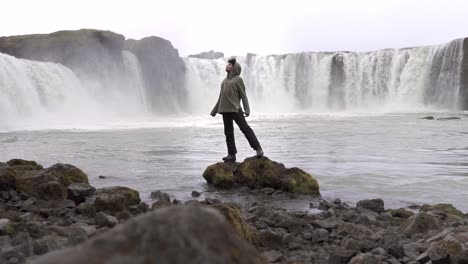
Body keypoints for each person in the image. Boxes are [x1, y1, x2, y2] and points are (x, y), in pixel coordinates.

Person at [210, 57, 263, 162]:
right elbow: (221, 97)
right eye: (228, 64)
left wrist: (247, 109)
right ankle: (231, 155)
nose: (227, 65)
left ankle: (258, 148)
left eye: (230, 64)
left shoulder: (238, 80)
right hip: (224, 110)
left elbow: (243, 95)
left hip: (235, 109)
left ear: (234, 68)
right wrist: (214, 110)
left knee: (245, 129)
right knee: (228, 133)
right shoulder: (224, 82)